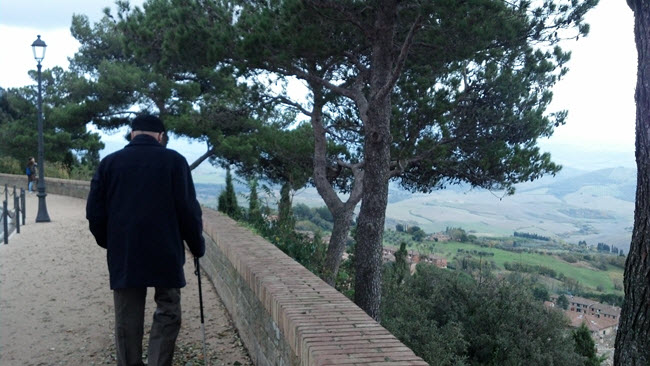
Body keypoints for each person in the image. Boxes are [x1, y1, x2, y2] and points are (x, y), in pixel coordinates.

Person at [86, 114, 205, 366]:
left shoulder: (109, 163)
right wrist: (197, 246)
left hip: (126, 252)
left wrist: (111, 242)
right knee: (168, 310)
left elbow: (94, 213)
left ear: (132, 134)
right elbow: (189, 211)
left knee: (127, 318)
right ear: (161, 137)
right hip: (166, 251)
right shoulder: (175, 161)